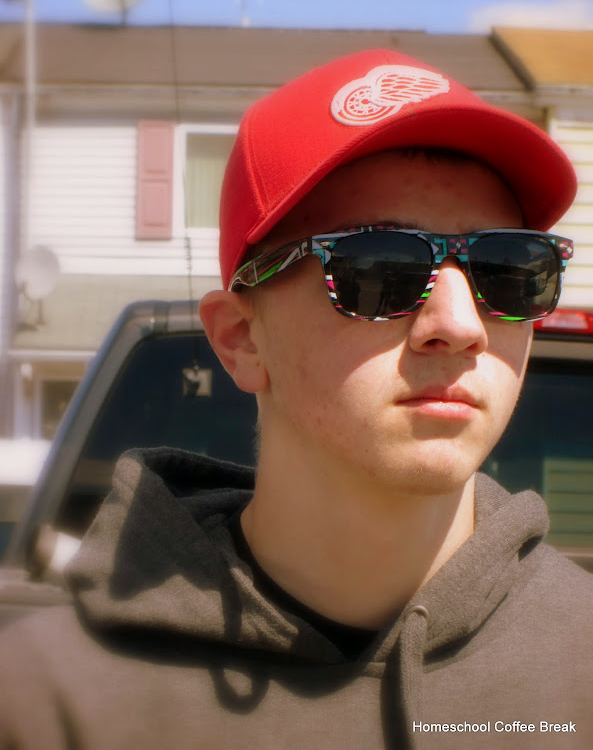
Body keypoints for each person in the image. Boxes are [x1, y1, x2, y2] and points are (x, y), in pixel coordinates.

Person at [1, 49, 591, 750]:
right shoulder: (48, 704)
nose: (461, 325)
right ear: (240, 339)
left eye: (509, 269)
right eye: (381, 268)